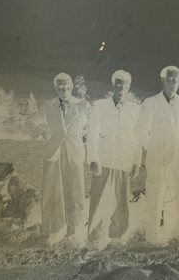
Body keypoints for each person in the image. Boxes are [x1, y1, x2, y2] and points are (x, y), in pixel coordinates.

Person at [86, 70, 141, 249]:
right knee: (98, 199)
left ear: (129, 86)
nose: (121, 87)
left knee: (121, 201)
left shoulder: (135, 109)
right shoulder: (100, 105)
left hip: (124, 160)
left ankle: (117, 237)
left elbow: (137, 137)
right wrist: (93, 158)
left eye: (124, 84)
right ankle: (95, 239)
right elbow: (92, 133)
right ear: (113, 84)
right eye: (118, 83)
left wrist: (136, 161)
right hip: (103, 160)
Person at [136, 66, 179, 244]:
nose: (173, 82)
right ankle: (153, 236)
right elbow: (140, 130)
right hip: (157, 156)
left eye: (176, 79)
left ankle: (177, 234)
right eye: (169, 79)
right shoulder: (151, 102)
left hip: (178, 156)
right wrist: (152, 147)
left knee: (178, 195)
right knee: (155, 196)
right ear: (163, 80)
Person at [41, 73, 89, 246]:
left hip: (74, 152)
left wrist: (83, 137)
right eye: (60, 86)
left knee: (76, 191)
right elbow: (31, 122)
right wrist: (43, 133)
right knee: (53, 192)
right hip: (54, 152)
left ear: (72, 86)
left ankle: (75, 230)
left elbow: (91, 126)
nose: (64, 88)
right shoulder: (48, 105)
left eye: (67, 85)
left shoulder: (83, 105)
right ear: (55, 87)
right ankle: (55, 230)